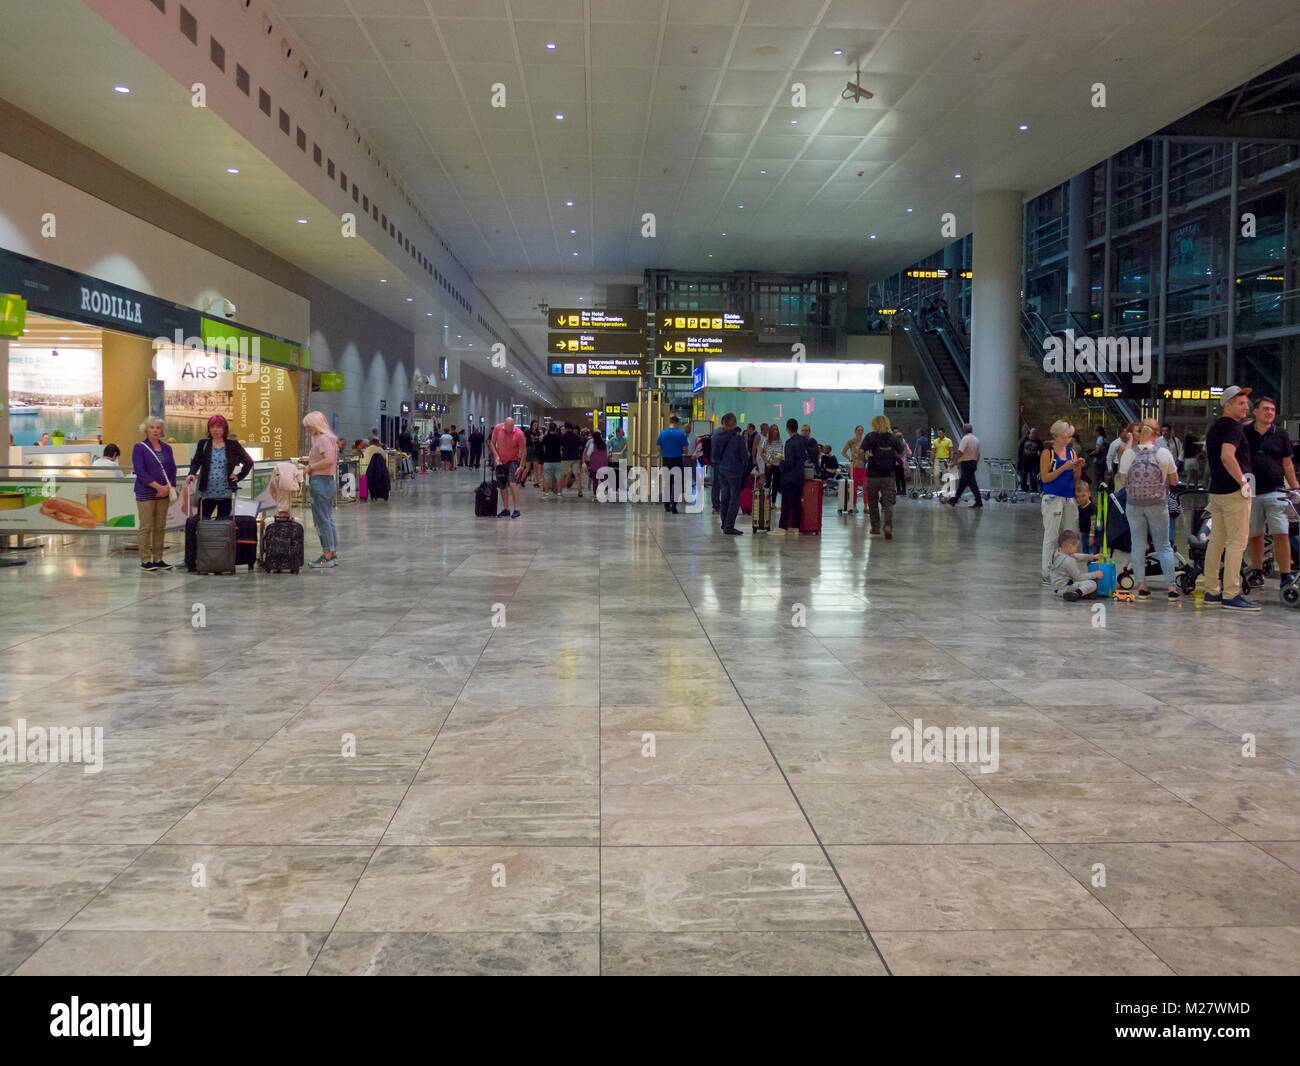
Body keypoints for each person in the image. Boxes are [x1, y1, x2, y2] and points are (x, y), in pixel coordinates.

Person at [1202, 386, 1257, 610]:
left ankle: (1211, 590)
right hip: (1234, 492)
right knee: (1237, 542)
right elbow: (1227, 456)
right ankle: (1232, 593)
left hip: (1216, 491)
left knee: (1216, 542)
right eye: (1241, 403)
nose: (1246, 406)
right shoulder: (1234, 428)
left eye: (1246, 402)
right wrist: (1243, 482)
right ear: (1228, 405)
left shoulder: (1214, 428)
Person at [1116, 419, 1182, 600]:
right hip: (1157, 504)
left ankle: (1142, 586)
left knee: (1137, 544)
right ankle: (1171, 588)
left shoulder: (1129, 454)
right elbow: (1175, 481)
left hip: (1134, 504)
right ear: (1156, 433)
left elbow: (1123, 481)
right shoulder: (1163, 453)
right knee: (1163, 545)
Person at [1244, 396, 1297, 595]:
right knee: (1255, 534)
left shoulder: (1280, 434)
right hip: (1252, 492)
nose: (1269, 412)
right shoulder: (1244, 433)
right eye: (1265, 409)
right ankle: (1257, 571)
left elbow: (1287, 464)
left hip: (1276, 491)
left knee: (1281, 533)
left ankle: (1286, 574)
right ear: (1255, 411)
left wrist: (1295, 489)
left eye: (1273, 410)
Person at [1039, 420, 1085, 586]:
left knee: (1071, 535)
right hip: (1052, 496)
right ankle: (1047, 572)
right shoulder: (1047, 454)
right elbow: (1045, 478)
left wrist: (1078, 467)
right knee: (1051, 536)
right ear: (1056, 436)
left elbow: (1075, 477)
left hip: (1069, 497)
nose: (1068, 440)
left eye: (1070, 436)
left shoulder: (1072, 453)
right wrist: (1063, 468)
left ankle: (1068, 570)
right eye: (1065, 436)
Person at [185, 414, 253, 518]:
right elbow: (196, 462)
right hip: (206, 493)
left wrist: (239, 476)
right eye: (212, 427)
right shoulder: (203, 444)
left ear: (224, 429)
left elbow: (248, 462)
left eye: (218, 427)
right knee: (203, 523)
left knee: (223, 525)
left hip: (226, 492)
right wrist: (192, 473)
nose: (215, 430)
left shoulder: (233, 445)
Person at [132, 416, 177, 572]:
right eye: (152, 428)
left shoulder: (167, 448)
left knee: (160, 526)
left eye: (158, 427)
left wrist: (167, 487)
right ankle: (145, 560)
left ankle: (158, 558)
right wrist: (157, 487)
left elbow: (172, 469)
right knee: (146, 526)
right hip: (146, 492)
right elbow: (140, 471)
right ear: (146, 430)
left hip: (164, 493)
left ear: (162, 430)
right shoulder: (140, 448)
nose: (155, 430)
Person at [303, 411, 339, 567]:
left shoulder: (323, 439)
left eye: (309, 427)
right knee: (327, 518)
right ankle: (331, 552)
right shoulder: (327, 438)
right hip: (326, 481)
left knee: (322, 520)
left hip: (321, 482)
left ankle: (327, 555)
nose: (308, 430)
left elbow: (329, 460)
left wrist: (311, 466)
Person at [862, 414, 903, 538]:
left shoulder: (870, 436)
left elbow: (860, 451)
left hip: (873, 474)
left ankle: (875, 528)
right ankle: (888, 526)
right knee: (888, 503)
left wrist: (865, 461)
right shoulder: (893, 438)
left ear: (875, 424)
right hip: (888, 475)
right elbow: (901, 451)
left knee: (873, 502)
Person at [711, 413, 750, 535]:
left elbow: (714, 454)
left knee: (725, 497)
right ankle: (729, 526)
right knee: (734, 498)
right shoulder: (737, 438)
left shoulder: (716, 435)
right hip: (734, 472)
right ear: (734, 424)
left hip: (721, 470)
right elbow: (744, 456)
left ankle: (724, 524)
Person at [773, 417, 807, 535]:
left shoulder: (789, 443)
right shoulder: (802, 441)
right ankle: (795, 526)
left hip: (789, 478)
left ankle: (782, 527)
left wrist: (780, 461)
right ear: (797, 428)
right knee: (796, 503)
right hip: (799, 477)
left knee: (786, 503)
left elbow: (790, 462)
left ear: (787, 429)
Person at [489, 416, 526, 518]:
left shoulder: (519, 434)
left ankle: (517, 509)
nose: (509, 429)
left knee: (512, 482)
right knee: (502, 485)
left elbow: (523, 451)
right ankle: (506, 509)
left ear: (513, 425)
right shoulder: (498, 428)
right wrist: (496, 456)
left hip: (512, 461)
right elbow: (492, 443)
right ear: (504, 424)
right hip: (500, 461)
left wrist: (521, 466)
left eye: (511, 426)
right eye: (507, 426)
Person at [1051, 530, 1103, 602]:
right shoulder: (1069, 560)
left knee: (1087, 583)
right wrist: (1095, 574)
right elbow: (1078, 577)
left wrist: (1093, 557)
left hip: (1056, 588)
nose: (1077, 549)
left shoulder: (1057, 552)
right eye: (1076, 546)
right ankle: (1076, 594)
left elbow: (1078, 556)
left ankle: (1079, 593)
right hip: (1065, 588)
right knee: (1092, 584)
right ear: (1070, 546)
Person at [654, 416, 690, 514]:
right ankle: (674, 506)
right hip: (677, 460)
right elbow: (685, 450)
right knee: (677, 484)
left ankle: (666, 505)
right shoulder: (681, 434)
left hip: (666, 460)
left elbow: (658, 447)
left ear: (670, 423)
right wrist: (683, 453)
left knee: (667, 483)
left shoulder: (662, 433)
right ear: (677, 423)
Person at [947, 423, 982, 507]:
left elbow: (960, 452)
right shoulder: (976, 439)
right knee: (963, 483)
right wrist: (975, 463)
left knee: (972, 483)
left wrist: (954, 462)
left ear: (964, 430)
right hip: (973, 462)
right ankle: (954, 500)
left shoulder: (965, 439)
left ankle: (979, 501)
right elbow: (978, 454)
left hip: (966, 463)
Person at [841, 425, 867, 514]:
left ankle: (866, 506)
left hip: (864, 467)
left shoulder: (865, 442)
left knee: (865, 487)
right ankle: (854, 505)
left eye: (861, 430)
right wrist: (849, 458)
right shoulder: (851, 442)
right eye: (858, 430)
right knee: (854, 487)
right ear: (855, 431)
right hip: (854, 467)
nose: (860, 431)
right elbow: (843, 452)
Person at [762, 424, 784, 504]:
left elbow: (781, 455)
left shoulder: (780, 440)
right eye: (774, 429)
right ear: (771, 431)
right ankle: (766, 502)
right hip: (769, 465)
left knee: (776, 484)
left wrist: (781, 457)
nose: (775, 431)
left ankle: (773, 503)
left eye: (776, 429)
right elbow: (762, 453)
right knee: (767, 484)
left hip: (777, 465)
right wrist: (766, 462)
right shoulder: (766, 440)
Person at [560, 422, 584, 496]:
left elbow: (561, 446)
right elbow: (580, 447)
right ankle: (580, 491)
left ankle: (560, 490)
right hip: (575, 457)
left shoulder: (563, 437)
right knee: (577, 475)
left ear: (566, 428)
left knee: (563, 474)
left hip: (566, 458)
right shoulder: (576, 437)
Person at [541, 422, 563, 498]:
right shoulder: (559, 437)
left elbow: (543, 446)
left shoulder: (545, 437)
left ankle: (546, 493)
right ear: (556, 429)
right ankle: (559, 493)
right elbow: (561, 447)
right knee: (559, 477)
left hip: (547, 460)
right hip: (557, 459)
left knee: (546, 477)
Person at [1075, 480, 1096, 554]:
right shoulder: (1079, 507)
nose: (1080, 499)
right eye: (1078, 497)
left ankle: (1093, 565)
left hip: (1091, 535)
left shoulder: (1092, 508)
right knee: (1085, 554)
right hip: (1083, 535)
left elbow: (1094, 523)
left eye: (1083, 496)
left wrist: (1091, 536)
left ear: (1089, 494)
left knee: (1092, 555)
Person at [586, 431, 610, 499]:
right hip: (603, 465)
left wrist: (587, 463)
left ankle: (595, 493)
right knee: (604, 478)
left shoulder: (593, 444)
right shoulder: (605, 444)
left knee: (595, 480)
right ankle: (608, 489)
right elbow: (607, 454)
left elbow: (588, 454)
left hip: (594, 465)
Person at [1018, 428, 1042, 493]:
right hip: (1024, 461)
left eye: (1036, 434)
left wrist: (1039, 457)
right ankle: (1024, 488)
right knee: (1023, 476)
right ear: (1030, 433)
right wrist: (1019, 460)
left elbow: (1042, 451)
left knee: (1033, 476)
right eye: (1033, 433)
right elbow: (1019, 449)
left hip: (1034, 462)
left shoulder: (1038, 442)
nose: (1034, 435)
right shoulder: (1024, 439)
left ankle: (1034, 489)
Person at [891, 428, 911, 496]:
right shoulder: (904, 444)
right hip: (902, 463)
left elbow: (893, 452)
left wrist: (898, 456)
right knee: (902, 477)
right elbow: (909, 453)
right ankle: (903, 491)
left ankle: (898, 490)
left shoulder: (894, 443)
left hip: (896, 462)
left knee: (897, 477)